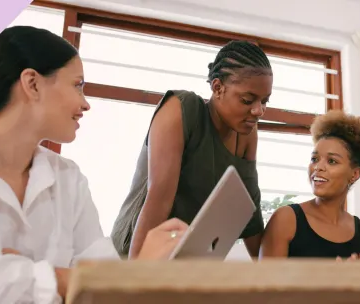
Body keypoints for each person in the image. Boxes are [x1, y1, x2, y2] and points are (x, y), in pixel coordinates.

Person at [0, 26, 188, 304]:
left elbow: (102, 286)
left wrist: (22, 270)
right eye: (78, 85)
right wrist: (69, 280)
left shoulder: (69, 178)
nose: (85, 103)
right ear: (32, 83)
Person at [111, 40, 273, 259]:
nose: (258, 110)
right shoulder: (181, 108)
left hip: (188, 259)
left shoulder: (246, 133)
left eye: (265, 101)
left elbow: (250, 214)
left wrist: (273, 275)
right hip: (136, 252)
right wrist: (136, 276)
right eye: (247, 100)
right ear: (218, 88)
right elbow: (159, 198)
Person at [259, 110, 360, 260]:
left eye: (332, 161)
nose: (318, 167)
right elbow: (265, 283)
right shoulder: (286, 220)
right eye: (314, 159)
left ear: (355, 174)